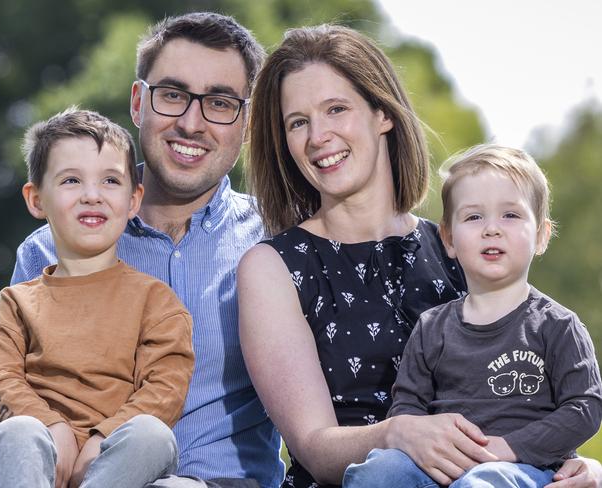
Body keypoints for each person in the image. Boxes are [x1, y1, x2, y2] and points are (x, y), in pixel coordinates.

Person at [238, 23, 602, 488]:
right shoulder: (275, 266)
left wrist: (583, 468)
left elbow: (533, 380)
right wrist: (397, 434)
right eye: (298, 122)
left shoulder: (459, 243)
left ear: (382, 114)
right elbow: (313, 446)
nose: (318, 136)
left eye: (336, 109)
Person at [0, 12, 282, 488]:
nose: (191, 123)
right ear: (138, 102)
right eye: (172, 95)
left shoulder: (276, 242)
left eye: (219, 102)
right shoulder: (50, 246)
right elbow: (16, 400)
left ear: (248, 121)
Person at [343, 144, 602, 487]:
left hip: (523, 468)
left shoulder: (557, 326)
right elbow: (407, 407)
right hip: (441, 466)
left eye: (510, 215)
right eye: (473, 216)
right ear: (448, 239)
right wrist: (425, 446)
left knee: (482, 482)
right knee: (377, 472)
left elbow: (584, 408)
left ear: (541, 235)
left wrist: (511, 447)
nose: (491, 229)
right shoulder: (432, 327)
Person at [0, 107, 194, 488]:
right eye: (71, 181)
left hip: (119, 464)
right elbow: (1, 382)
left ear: (133, 200)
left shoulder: (157, 302)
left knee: (153, 435)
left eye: (110, 181)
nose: (92, 196)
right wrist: (52, 427)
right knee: (18, 433)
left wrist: (100, 441)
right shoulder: (15, 303)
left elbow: (165, 389)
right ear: (36, 200)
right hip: (38, 459)